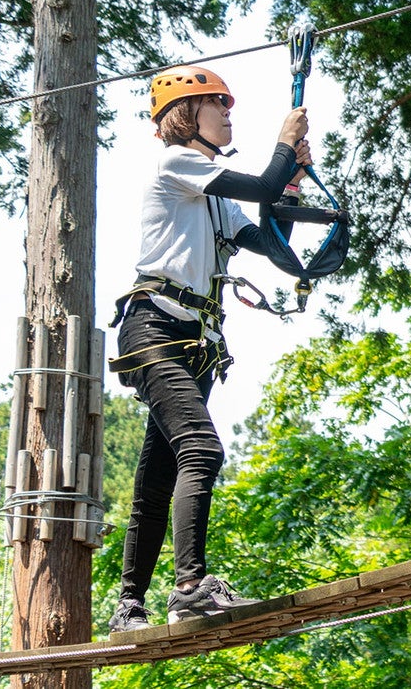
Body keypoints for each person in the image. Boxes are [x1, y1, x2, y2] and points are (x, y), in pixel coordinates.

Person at [106, 66, 312, 633]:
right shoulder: (179, 164)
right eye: (217, 103)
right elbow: (262, 184)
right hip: (156, 328)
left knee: (159, 473)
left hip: (192, 343)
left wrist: (291, 182)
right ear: (185, 115)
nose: (227, 112)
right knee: (201, 449)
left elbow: (271, 243)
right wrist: (284, 148)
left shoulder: (214, 191)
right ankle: (191, 588)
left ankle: (129, 605)